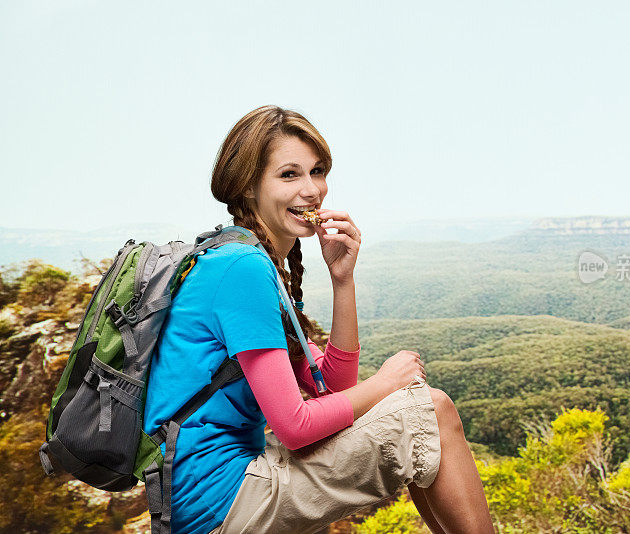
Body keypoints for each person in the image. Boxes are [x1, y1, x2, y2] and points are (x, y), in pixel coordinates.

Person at [143, 105, 494, 534]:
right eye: (290, 175)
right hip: (223, 503)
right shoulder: (242, 270)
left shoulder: (243, 258)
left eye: (318, 171)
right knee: (431, 411)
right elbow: (295, 427)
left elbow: (332, 387)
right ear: (248, 187)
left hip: (215, 493)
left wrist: (342, 280)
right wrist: (386, 382)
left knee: (416, 426)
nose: (312, 190)